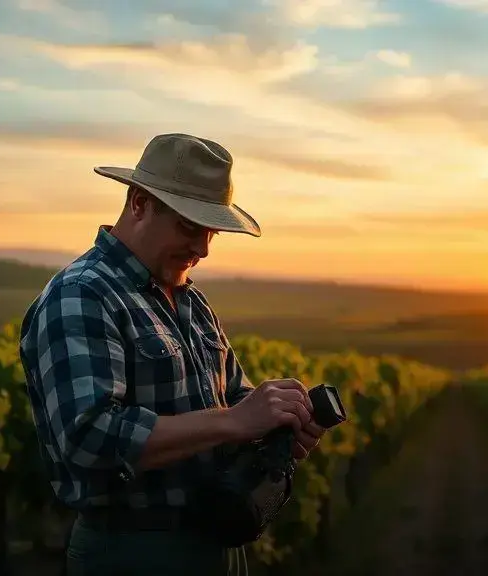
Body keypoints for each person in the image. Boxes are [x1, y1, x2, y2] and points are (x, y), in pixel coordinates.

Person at [18, 133, 328, 576]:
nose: (202, 249)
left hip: (216, 541)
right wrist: (235, 421)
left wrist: (276, 424)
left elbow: (233, 404)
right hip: (135, 551)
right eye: (189, 227)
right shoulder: (81, 295)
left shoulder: (190, 300)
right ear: (140, 204)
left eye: (211, 233)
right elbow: (88, 440)